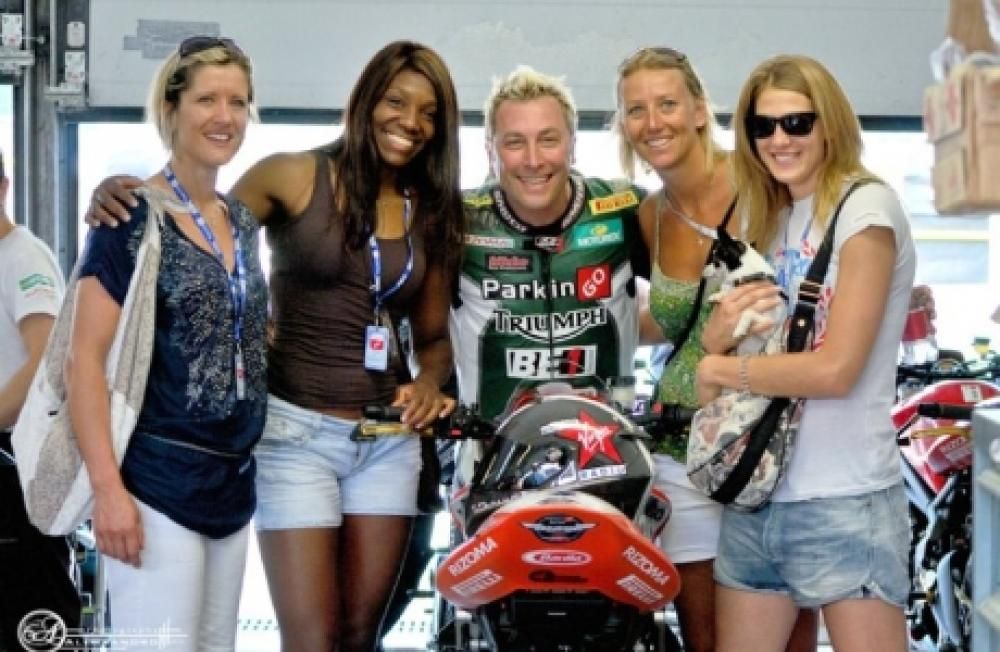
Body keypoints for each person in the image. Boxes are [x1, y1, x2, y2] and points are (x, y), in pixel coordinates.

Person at [86, 40, 462, 652]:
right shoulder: (293, 174)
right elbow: (196, 230)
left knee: (360, 635)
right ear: (367, 100)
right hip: (294, 435)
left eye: (429, 112)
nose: (411, 121)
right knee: (311, 638)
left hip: (388, 444)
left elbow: (435, 340)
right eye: (396, 101)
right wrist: (122, 196)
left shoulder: (432, 210)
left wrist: (426, 383)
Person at [695, 54, 915, 651]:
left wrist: (721, 367)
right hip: (755, 494)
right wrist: (715, 344)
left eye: (797, 122)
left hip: (845, 496)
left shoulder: (865, 210)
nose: (779, 139)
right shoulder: (768, 217)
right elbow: (721, 358)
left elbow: (837, 369)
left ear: (829, 124)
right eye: (762, 126)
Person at [66, 36, 268, 649]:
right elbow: (83, 360)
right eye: (207, 99)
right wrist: (108, 492)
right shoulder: (129, 215)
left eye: (238, 101)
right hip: (156, 483)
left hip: (232, 485)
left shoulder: (241, 220)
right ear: (171, 109)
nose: (224, 116)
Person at [614, 46, 817, 652]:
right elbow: (669, 318)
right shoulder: (648, 215)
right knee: (706, 642)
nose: (654, 122)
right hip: (682, 448)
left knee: (787, 642)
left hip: (772, 444)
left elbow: (815, 295)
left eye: (668, 104)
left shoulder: (764, 181)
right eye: (636, 110)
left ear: (701, 109)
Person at [451, 65, 650, 423]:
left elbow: (686, 298)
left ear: (572, 145)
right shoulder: (457, 220)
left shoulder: (625, 209)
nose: (533, 160)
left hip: (605, 443)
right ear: (490, 151)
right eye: (514, 142)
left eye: (548, 140)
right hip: (491, 445)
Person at [0, 152, 79, 651]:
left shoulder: (23, 257)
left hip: (17, 461)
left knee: (33, 624)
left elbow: (46, 360)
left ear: (3, 187)